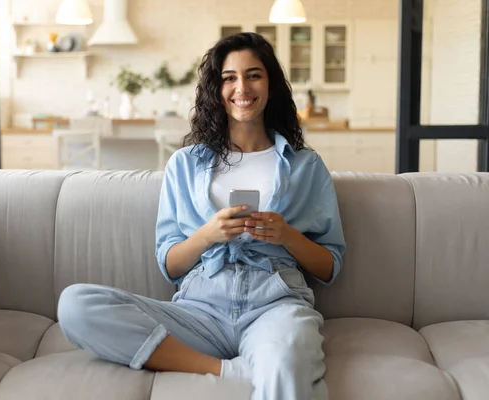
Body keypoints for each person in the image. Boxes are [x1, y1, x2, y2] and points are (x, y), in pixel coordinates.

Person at [58, 32, 346, 400]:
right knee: (76, 304)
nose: (242, 87)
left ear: (270, 85)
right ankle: (227, 369)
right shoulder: (184, 164)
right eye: (229, 78)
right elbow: (171, 265)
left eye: (254, 75)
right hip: (200, 307)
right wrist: (207, 235)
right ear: (217, 88)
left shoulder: (307, 166)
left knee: (288, 366)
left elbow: (330, 266)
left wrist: (286, 235)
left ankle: (262, 360)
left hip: (276, 303)